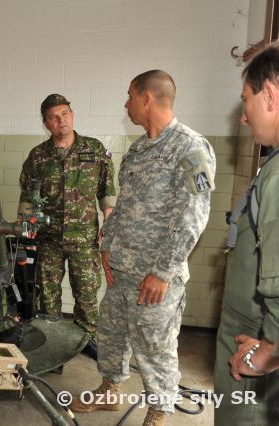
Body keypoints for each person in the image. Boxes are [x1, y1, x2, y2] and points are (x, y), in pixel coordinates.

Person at [68, 70, 215, 426]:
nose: (126, 103)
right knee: (111, 335)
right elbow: (123, 205)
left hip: (155, 276)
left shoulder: (191, 148)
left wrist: (162, 272)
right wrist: (107, 246)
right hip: (122, 270)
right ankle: (109, 391)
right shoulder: (137, 149)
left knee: (155, 346)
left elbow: (194, 216)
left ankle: (158, 412)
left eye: (130, 96)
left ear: (146, 98)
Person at [214, 44, 279, 426]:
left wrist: (270, 347)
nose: (243, 116)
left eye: (246, 101)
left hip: (256, 345)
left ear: (270, 95)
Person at [18, 94, 116, 345]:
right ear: (46, 123)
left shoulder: (94, 150)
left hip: (85, 240)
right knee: (47, 296)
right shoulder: (38, 156)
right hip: (48, 240)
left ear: (72, 115)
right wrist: (26, 232)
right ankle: (51, 342)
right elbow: (28, 197)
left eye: (64, 114)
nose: (61, 120)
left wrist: (109, 223)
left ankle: (87, 342)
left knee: (86, 295)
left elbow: (107, 190)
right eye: (53, 117)